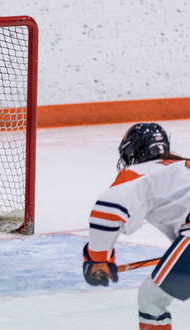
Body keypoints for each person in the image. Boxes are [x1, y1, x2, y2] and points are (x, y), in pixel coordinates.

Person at [82, 122, 190, 330]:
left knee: (151, 299)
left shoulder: (141, 172)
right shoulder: (182, 167)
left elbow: (106, 214)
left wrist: (98, 259)